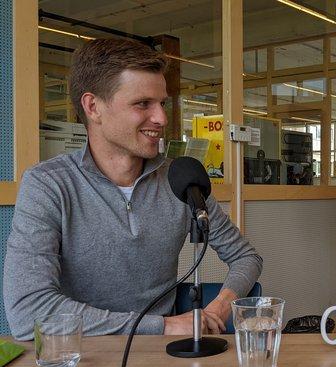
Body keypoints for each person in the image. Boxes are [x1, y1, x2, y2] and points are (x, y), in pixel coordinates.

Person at [3, 38, 263, 341]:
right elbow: (27, 313)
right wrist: (163, 326)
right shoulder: (48, 185)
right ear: (93, 107)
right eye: (143, 104)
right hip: (79, 358)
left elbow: (246, 256)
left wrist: (219, 308)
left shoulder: (180, 180)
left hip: (160, 358)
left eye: (162, 103)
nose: (162, 118)